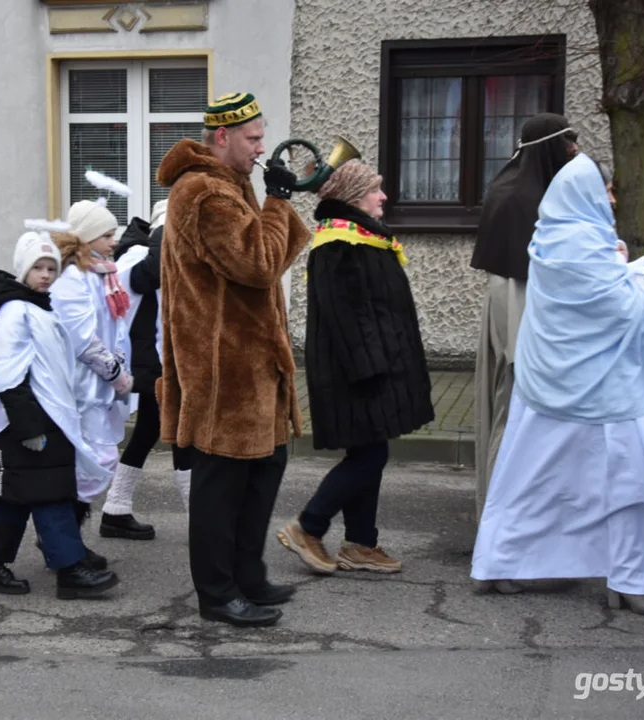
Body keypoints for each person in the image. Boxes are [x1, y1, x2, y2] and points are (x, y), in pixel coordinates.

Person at [470, 154, 644, 615]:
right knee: (633, 485)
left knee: (532, 479)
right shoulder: (584, 243)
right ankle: (629, 578)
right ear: (586, 194)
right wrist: (642, 279)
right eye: (606, 190)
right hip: (602, 391)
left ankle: (500, 563)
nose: (612, 199)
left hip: (553, 385)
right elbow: (622, 310)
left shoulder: (549, 235)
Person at [156, 92, 310, 627]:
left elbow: (266, 259)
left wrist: (273, 205)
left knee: (263, 473)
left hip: (251, 366)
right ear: (222, 137)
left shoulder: (230, 187)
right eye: (253, 139)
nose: (261, 148)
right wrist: (279, 204)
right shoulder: (204, 193)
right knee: (221, 488)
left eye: (262, 137)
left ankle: (248, 577)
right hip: (223, 370)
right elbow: (260, 264)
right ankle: (218, 595)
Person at [277, 160, 433, 575]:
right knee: (368, 455)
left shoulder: (360, 237)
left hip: (373, 366)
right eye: (375, 190)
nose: (383, 197)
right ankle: (308, 526)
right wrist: (372, 368)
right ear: (351, 198)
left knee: (371, 450)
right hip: (360, 372)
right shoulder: (339, 243)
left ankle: (361, 543)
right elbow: (347, 316)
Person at [0, 228, 118, 599]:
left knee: (19, 495)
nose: (46, 274)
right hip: (24, 421)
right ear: (23, 270)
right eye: (38, 268)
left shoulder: (35, 306)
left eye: (51, 267)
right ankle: (69, 568)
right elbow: (5, 372)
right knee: (50, 493)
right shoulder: (16, 312)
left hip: (44, 417)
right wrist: (29, 426)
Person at [469, 114, 577, 529]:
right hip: (517, 302)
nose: (574, 151)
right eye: (568, 143)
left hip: (523, 299)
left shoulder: (527, 189)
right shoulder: (520, 196)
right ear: (550, 146)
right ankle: (498, 524)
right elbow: (520, 273)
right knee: (513, 409)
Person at [50, 199, 143, 562]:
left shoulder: (104, 274)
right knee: (93, 461)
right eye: (106, 235)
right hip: (82, 386)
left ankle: (66, 539)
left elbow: (115, 330)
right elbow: (83, 339)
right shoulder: (74, 279)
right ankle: (63, 540)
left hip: (98, 386)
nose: (113, 242)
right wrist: (117, 374)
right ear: (87, 239)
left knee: (93, 461)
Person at [98, 198, 193, 540]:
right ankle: (199, 517)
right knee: (182, 432)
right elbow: (146, 278)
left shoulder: (162, 256)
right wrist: (168, 227)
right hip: (145, 364)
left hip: (162, 362)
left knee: (152, 428)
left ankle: (115, 509)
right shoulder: (137, 256)